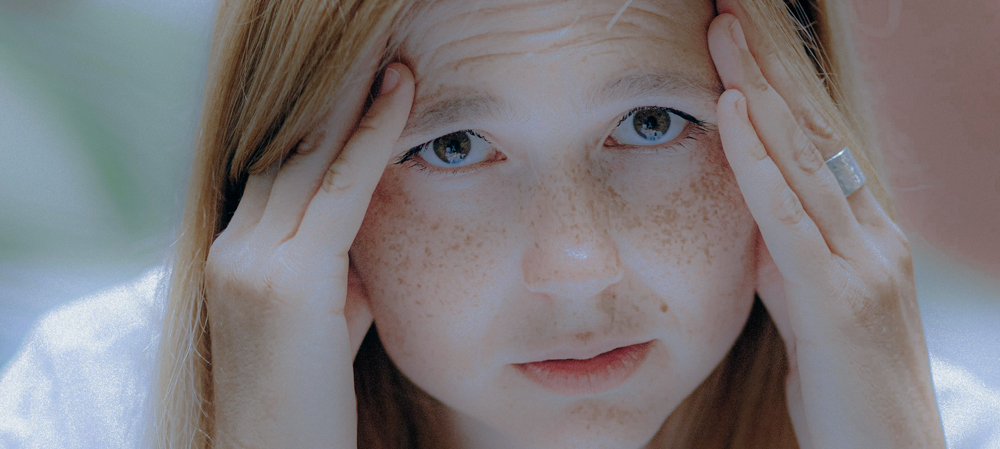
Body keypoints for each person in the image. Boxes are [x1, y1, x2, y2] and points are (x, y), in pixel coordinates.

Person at [0, 0, 954, 447]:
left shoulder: (945, 426)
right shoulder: (89, 409)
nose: (577, 268)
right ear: (286, 168)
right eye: (451, 146)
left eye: (652, 124)